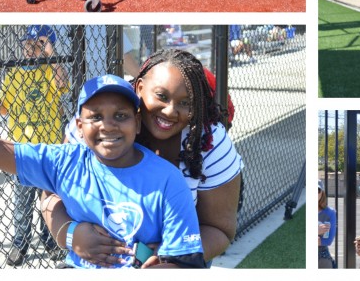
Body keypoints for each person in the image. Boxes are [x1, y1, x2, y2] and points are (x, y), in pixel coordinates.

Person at [0, 74, 207, 269]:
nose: (107, 125)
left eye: (120, 115)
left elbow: (185, 263)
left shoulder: (167, 180)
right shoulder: (65, 162)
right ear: (79, 127)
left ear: (137, 123)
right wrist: (70, 233)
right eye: (95, 117)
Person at [42, 49, 241, 266]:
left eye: (185, 103)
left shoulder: (209, 142)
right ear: (139, 88)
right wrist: (71, 234)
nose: (170, 111)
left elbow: (220, 229)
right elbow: (50, 195)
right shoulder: (96, 124)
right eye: (161, 96)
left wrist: (173, 257)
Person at [0, 25, 69, 265]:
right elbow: (4, 107)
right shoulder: (14, 74)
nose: (29, 49)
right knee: (21, 203)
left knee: (49, 200)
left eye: (36, 45)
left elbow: (62, 83)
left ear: (46, 47)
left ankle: (51, 241)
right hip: (21, 150)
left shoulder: (51, 71)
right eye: (27, 45)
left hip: (49, 150)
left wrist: (51, 54)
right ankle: (20, 244)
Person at [318, 179, 337, 269]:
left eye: (317, 190)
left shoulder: (330, 212)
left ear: (322, 193)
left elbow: (328, 240)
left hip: (322, 255)